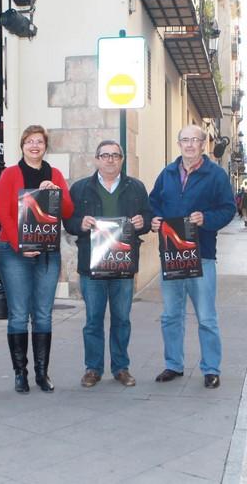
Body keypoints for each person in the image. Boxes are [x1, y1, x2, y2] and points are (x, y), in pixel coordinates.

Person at [150, 124, 237, 389]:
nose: (189, 145)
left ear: (202, 144)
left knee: (207, 318)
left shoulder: (216, 175)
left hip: (202, 256)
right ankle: (173, 365)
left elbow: (228, 209)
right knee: (170, 316)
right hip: (172, 255)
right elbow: (153, 203)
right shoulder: (167, 173)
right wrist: (154, 219)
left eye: (194, 140)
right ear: (179, 144)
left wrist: (206, 218)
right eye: (184, 140)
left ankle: (211, 369)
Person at [65, 140, 152, 387]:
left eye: (115, 155)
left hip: (123, 265)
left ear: (121, 160)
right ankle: (93, 369)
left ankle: (121, 368)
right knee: (93, 319)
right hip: (92, 266)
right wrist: (80, 224)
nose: (110, 159)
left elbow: (148, 217)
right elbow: (68, 221)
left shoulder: (136, 187)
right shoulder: (80, 188)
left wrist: (142, 223)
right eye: (105, 155)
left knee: (122, 319)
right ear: (96, 159)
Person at [0, 125, 74, 393]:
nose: (34, 146)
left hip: (47, 253)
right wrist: (20, 245)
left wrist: (56, 192)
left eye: (39, 141)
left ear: (45, 146)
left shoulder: (55, 174)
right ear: (22, 145)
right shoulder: (10, 174)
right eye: (29, 141)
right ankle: (21, 373)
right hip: (14, 252)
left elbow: (67, 211)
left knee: (42, 314)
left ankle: (42, 372)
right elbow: (2, 213)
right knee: (18, 314)